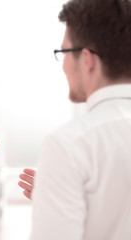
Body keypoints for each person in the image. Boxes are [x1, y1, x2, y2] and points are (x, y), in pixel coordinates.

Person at [18, 0, 131, 239]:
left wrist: (56, 191)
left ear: (88, 59)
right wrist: (62, 193)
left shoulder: (69, 144)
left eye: (64, 52)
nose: (64, 66)